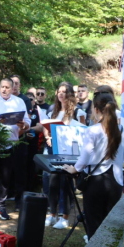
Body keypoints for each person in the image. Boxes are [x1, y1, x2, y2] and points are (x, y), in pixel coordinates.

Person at [63, 92, 124, 239]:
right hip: (116, 182)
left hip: (95, 183)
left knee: (94, 224)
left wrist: (74, 169)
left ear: (96, 110)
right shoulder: (123, 131)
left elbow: (85, 156)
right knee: (111, 225)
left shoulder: (93, 130)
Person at [0, 78, 31, 221]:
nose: (4, 90)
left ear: (12, 88)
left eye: (7, 87)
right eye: (2, 87)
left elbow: (27, 122)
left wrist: (24, 126)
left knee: (5, 178)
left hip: (10, 144)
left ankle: (1, 208)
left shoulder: (19, 102)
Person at [43, 82, 86, 229]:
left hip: (70, 153)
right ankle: (52, 214)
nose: (61, 94)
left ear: (69, 94)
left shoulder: (78, 111)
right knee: (53, 182)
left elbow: (83, 131)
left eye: (64, 92)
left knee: (66, 184)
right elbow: (46, 127)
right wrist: (48, 137)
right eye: (59, 91)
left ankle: (65, 217)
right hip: (54, 152)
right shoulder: (53, 110)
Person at [9, 74, 32, 211]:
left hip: (20, 141)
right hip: (5, 141)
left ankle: (19, 201)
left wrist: (15, 136)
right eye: (12, 83)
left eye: (16, 83)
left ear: (20, 85)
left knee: (20, 171)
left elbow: (27, 121)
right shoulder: (4, 100)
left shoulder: (24, 100)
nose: (14, 85)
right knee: (6, 171)